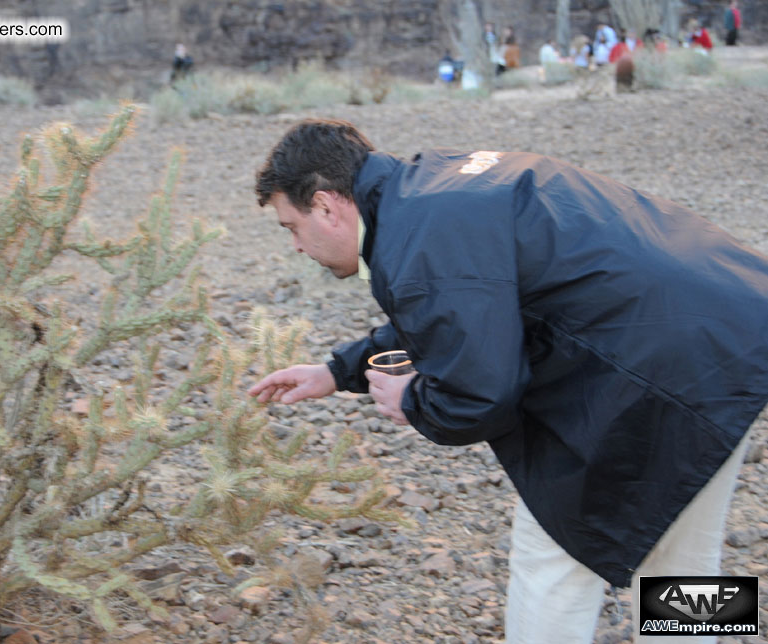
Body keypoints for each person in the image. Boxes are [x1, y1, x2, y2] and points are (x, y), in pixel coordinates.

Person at [249, 119, 768, 643]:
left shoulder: (421, 241)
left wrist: (414, 401)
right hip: (736, 331)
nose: (296, 245)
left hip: (669, 366)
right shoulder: (431, 185)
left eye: (291, 226)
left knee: (555, 558)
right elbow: (461, 308)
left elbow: (482, 393)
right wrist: (337, 372)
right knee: (684, 553)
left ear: (325, 205)